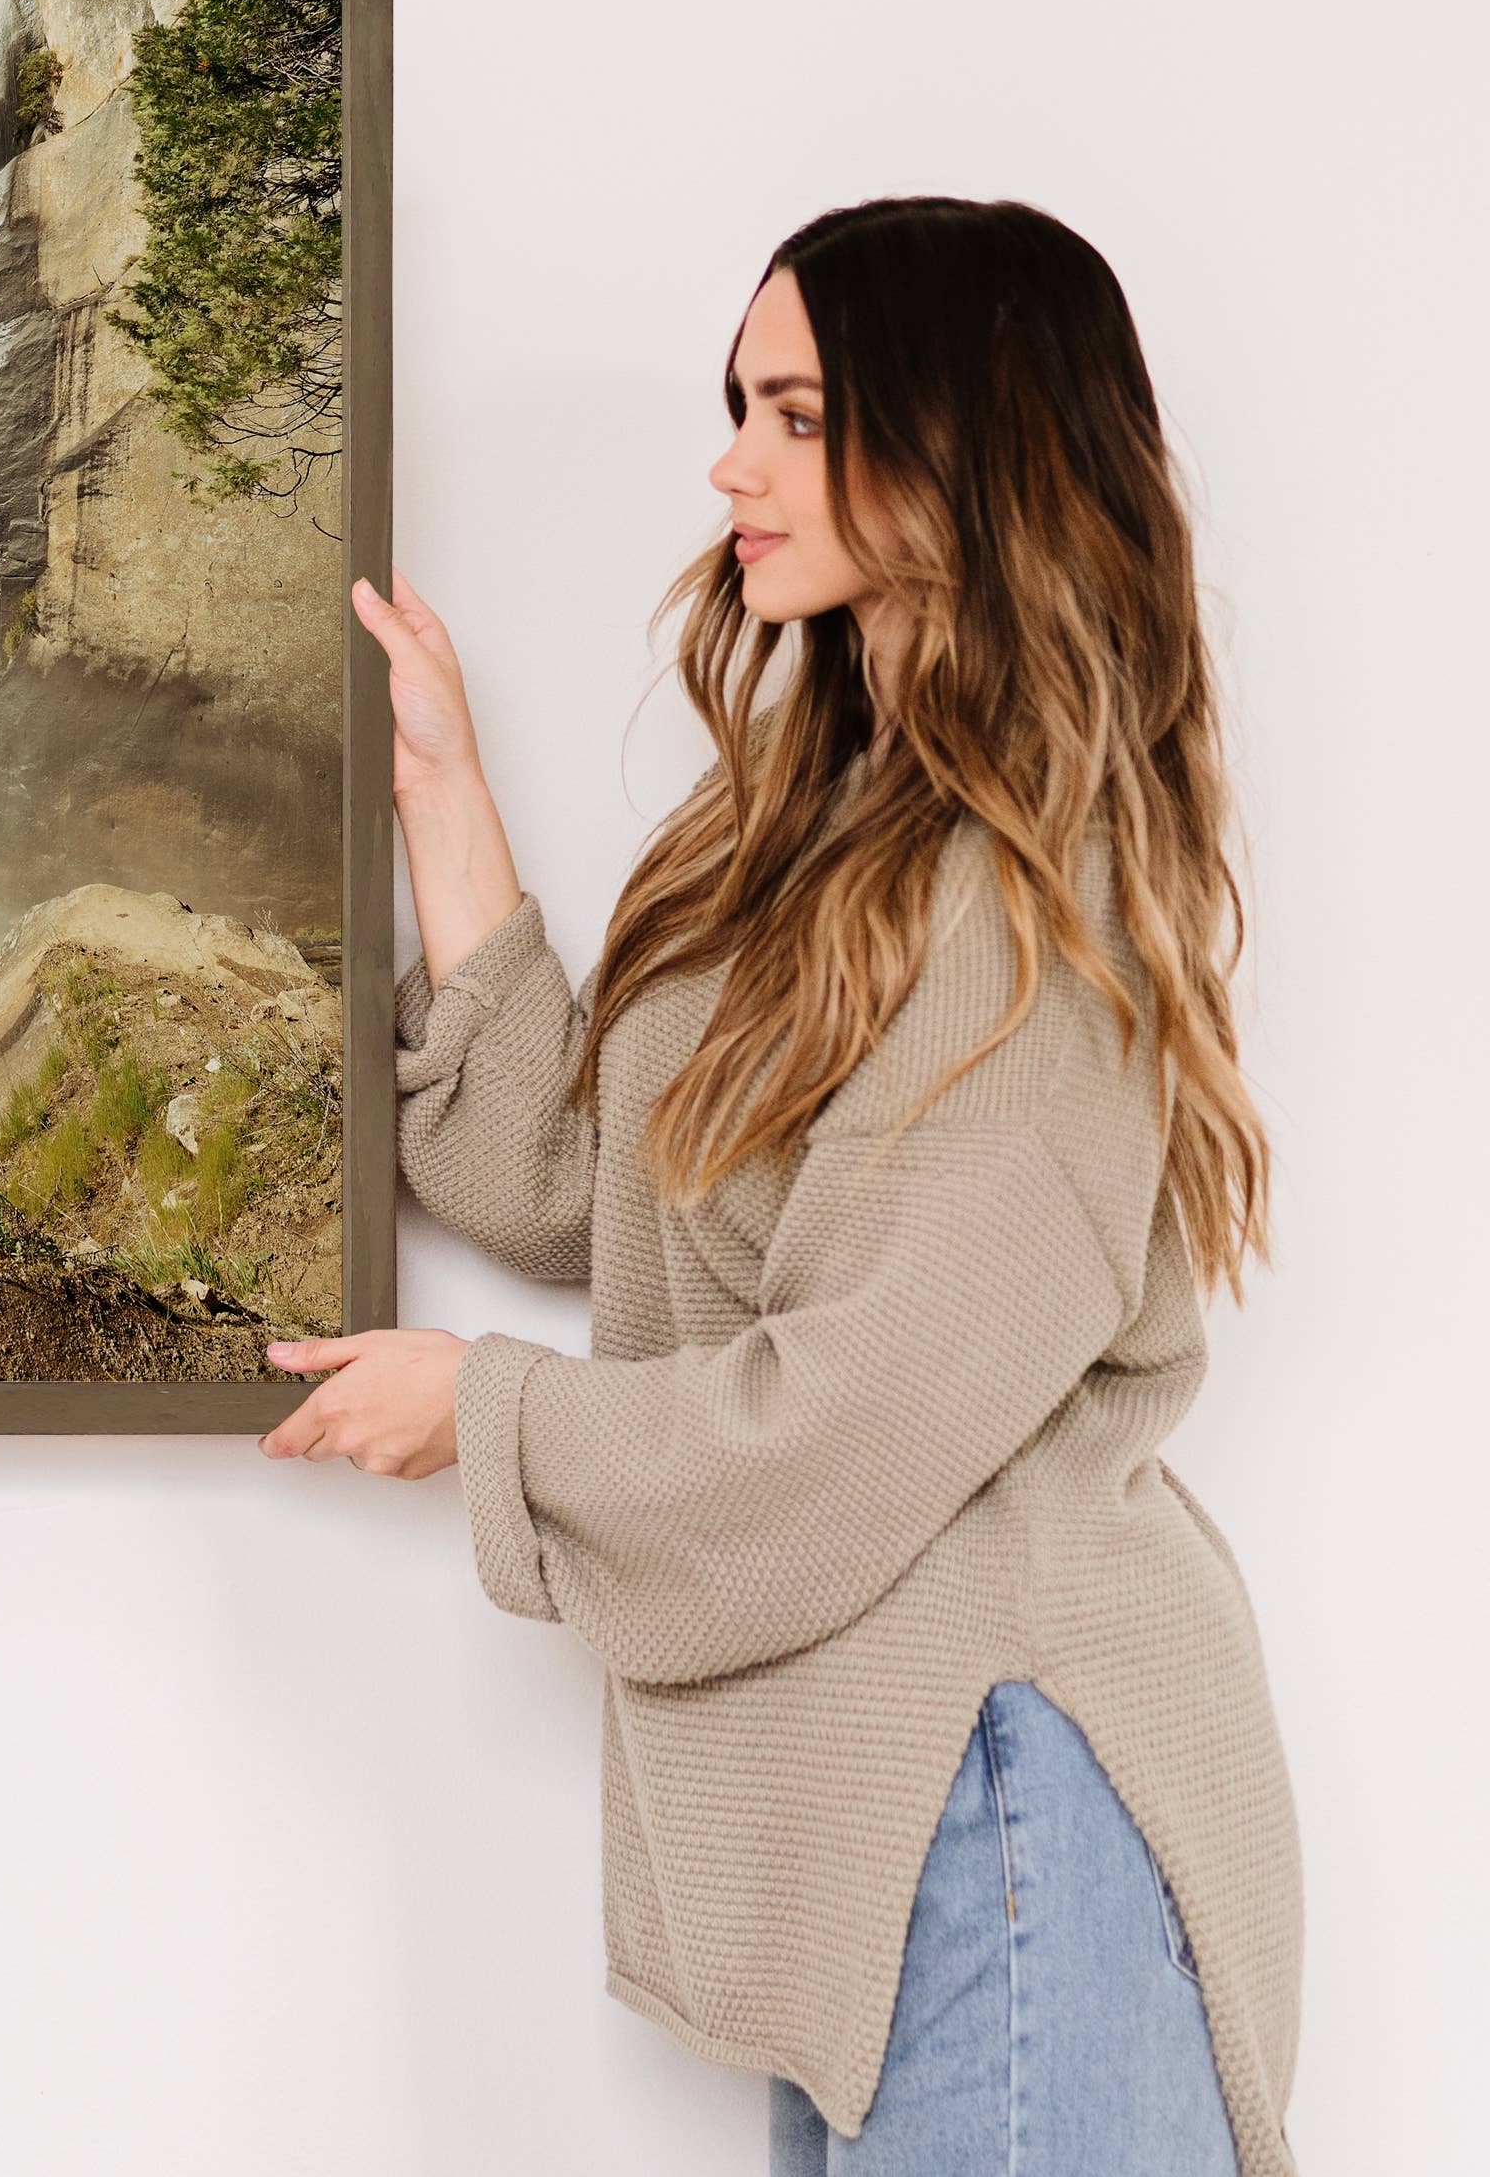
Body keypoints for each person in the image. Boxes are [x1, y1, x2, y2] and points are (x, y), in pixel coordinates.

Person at [257, 199, 1299, 2175]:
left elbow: (845, 1426)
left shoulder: (1027, 923)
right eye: (740, 403)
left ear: (965, 442)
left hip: (1007, 1814)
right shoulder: (817, 841)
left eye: (800, 414)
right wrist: (442, 798)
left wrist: (479, 1412)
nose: (732, 461)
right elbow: (602, 1186)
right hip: (896, 1830)